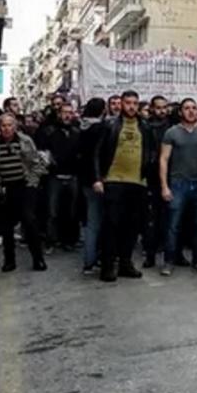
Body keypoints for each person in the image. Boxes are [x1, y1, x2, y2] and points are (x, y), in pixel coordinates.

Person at [92, 90, 156, 282]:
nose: (131, 107)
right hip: (113, 181)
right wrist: (97, 178)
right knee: (111, 226)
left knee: (132, 227)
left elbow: (151, 152)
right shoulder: (109, 124)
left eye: (135, 103)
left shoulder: (145, 126)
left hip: (137, 183)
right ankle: (108, 265)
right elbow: (96, 153)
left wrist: (148, 178)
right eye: (128, 103)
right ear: (121, 104)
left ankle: (126, 263)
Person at [0, 114, 46, 273]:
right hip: (2, 188)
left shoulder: (25, 141)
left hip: (24, 186)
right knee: (6, 226)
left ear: (15, 126)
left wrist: (32, 182)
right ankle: (9, 260)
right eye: (3, 125)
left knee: (29, 221)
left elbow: (36, 163)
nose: (7, 128)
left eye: (10, 125)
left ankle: (38, 259)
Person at [159, 98, 197, 275]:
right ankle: (169, 261)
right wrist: (164, 186)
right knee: (173, 225)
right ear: (180, 112)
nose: (190, 111)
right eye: (187, 108)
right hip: (178, 183)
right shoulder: (172, 133)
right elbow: (164, 159)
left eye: (193, 108)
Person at [38, 101, 82, 252]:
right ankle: (51, 241)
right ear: (59, 114)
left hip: (73, 176)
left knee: (71, 211)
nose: (67, 115)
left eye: (70, 112)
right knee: (52, 211)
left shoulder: (77, 132)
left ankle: (69, 240)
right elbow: (42, 153)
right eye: (65, 112)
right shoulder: (49, 132)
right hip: (54, 177)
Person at [77, 98, 107, 275]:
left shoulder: (82, 126)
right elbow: (97, 155)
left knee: (91, 221)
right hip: (97, 180)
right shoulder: (99, 128)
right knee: (97, 221)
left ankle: (90, 259)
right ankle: (91, 261)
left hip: (85, 180)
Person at [143, 95, 172, 268]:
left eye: (164, 107)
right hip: (151, 176)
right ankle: (150, 254)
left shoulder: (172, 126)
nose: (161, 111)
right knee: (151, 219)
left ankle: (171, 253)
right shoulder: (146, 127)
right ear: (152, 108)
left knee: (170, 218)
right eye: (158, 107)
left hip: (171, 175)